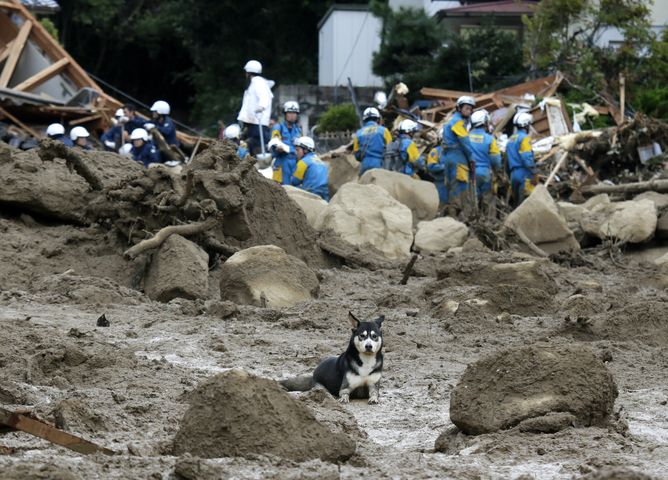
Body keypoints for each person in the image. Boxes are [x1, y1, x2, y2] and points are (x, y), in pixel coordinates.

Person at [442, 95, 475, 210]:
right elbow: (465, 141)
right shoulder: (458, 122)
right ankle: (459, 220)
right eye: (466, 108)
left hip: (449, 157)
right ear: (459, 108)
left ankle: (452, 216)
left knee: (451, 187)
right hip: (458, 158)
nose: (469, 111)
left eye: (471, 109)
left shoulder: (452, 121)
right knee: (460, 189)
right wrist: (471, 158)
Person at [237, 60, 273, 155]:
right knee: (250, 142)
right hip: (252, 121)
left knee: (256, 143)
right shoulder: (253, 83)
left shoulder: (258, 82)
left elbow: (265, 97)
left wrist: (261, 107)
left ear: (248, 72)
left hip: (258, 121)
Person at [469, 110, 502, 210]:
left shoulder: (466, 137)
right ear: (485, 122)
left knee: (473, 201)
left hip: (470, 173)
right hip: (485, 173)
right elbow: (495, 159)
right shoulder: (489, 139)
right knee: (488, 201)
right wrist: (498, 171)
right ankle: (490, 222)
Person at [267, 101, 302, 185]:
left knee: (294, 188)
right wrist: (277, 147)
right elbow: (274, 142)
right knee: (280, 189)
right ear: (285, 114)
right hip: (282, 162)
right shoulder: (278, 127)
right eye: (290, 112)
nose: (292, 115)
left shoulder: (298, 130)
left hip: (294, 163)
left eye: (294, 113)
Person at [506, 112, 537, 205]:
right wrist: (534, 172)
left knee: (516, 204)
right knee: (526, 204)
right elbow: (526, 157)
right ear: (526, 125)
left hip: (513, 175)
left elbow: (507, 160)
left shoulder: (510, 139)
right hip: (524, 174)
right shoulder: (524, 138)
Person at [354, 107, 392, 176]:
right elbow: (391, 150)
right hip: (380, 164)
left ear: (364, 120)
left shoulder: (358, 133)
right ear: (378, 119)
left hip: (364, 165)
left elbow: (357, 154)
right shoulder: (384, 131)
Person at [291, 136, 329, 200]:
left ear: (305, 150)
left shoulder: (303, 162)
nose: (296, 153)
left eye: (298, 150)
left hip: (311, 193)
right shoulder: (321, 162)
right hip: (325, 194)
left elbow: (294, 182)